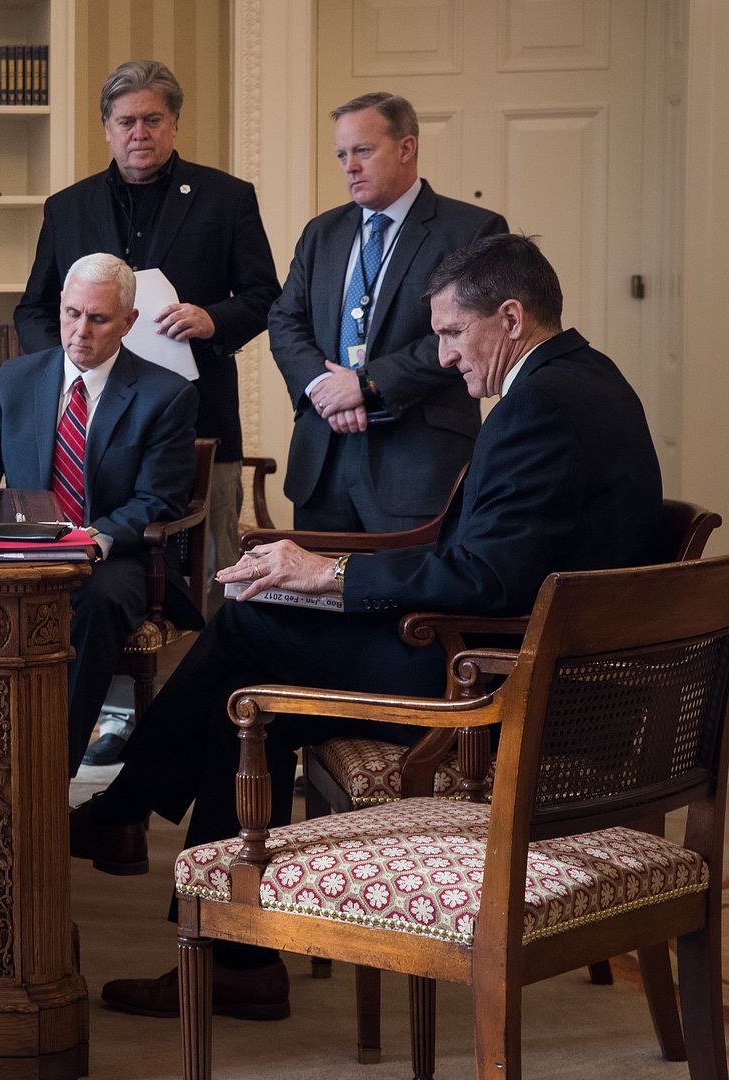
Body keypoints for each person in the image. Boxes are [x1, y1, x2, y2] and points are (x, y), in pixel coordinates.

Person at [73, 234, 663, 1021]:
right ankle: (229, 954)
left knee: (246, 639)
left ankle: (132, 823)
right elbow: (483, 557)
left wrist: (331, 574)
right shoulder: (577, 379)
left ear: (512, 318)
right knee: (251, 691)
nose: (446, 359)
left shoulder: (546, 403)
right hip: (499, 647)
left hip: (501, 682)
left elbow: (488, 577)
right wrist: (316, 569)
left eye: (454, 334)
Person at [15, 60, 280, 666]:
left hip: (199, 417)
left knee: (210, 563)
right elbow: (33, 308)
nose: (141, 132)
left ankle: (205, 702)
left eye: (154, 119)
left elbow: (267, 297)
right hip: (87, 426)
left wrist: (215, 320)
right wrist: (68, 365)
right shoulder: (68, 207)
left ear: (175, 124)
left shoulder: (226, 198)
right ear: (107, 128)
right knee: (100, 569)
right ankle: (108, 709)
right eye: (127, 120)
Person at [0, 254, 198, 779]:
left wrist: (90, 540)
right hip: (20, 546)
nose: (79, 331)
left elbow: (157, 502)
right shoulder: (15, 378)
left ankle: (43, 773)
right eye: (71, 313)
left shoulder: (166, 395)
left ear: (128, 322)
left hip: (115, 556)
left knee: (93, 598)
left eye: (98, 319)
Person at [266, 91, 508, 532]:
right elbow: (284, 320)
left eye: (362, 150)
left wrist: (365, 384)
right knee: (313, 599)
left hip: (416, 465)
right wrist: (324, 385)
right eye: (341, 154)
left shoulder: (472, 230)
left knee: (405, 598)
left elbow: (469, 333)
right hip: (324, 459)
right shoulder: (322, 233)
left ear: (406, 148)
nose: (349, 167)